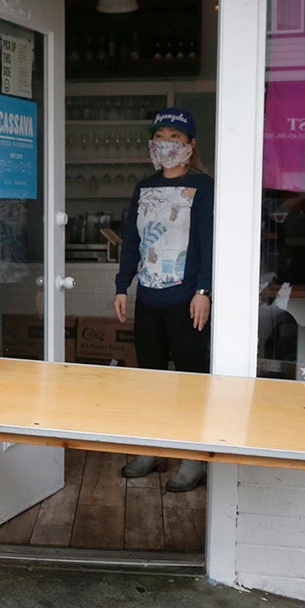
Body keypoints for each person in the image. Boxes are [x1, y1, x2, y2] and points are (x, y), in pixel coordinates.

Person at [112, 107, 213, 492]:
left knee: (191, 383)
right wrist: (123, 285)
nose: (166, 144)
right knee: (149, 380)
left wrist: (204, 290)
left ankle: (193, 457)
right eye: (161, 136)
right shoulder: (144, 187)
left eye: (175, 137)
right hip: (148, 297)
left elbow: (207, 242)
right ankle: (150, 448)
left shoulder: (203, 186)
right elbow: (133, 241)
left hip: (187, 299)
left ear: (190, 144)